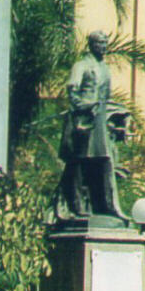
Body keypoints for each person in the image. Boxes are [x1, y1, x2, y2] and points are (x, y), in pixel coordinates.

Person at [57, 31, 132, 221]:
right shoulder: (81, 66)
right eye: (100, 43)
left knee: (103, 160)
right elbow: (72, 92)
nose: (104, 46)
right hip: (83, 121)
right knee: (80, 162)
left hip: (100, 121)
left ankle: (104, 204)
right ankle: (76, 205)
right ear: (91, 44)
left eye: (105, 43)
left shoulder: (105, 69)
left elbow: (106, 98)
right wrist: (85, 106)